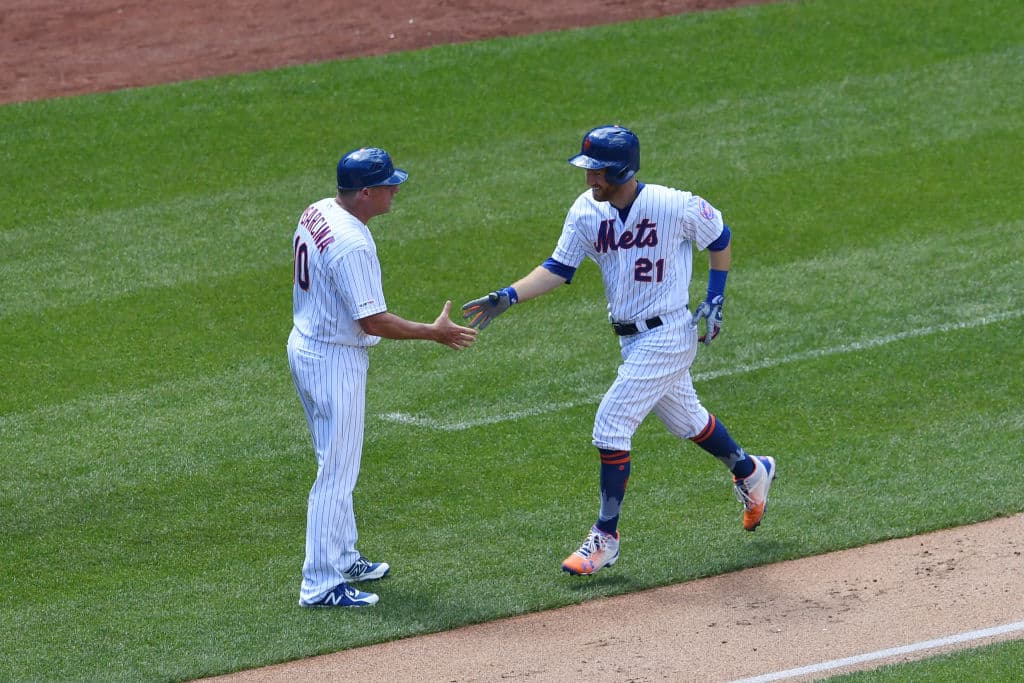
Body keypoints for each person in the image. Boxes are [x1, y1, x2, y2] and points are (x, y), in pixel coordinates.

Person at [462, 125, 776, 576]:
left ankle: (605, 538)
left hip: (669, 333)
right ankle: (750, 471)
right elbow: (558, 267)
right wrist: (508, 296)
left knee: (611, 423)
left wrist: (716, 293)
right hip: (632, 340)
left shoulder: (672, 204)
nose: (591, 180)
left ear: (623, 170)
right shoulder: (587, 212)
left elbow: (719, 234)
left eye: (598, 172)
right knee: (687, 420)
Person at [288, 147, 477, 606]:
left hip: (307, 345)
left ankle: (343, 555)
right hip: (334, 361)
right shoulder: (353, 243)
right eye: (389, 184)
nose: (396, 190)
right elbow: (373, 321)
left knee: (333, 461)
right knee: (336, 473)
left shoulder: (317, 210)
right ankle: (320, 583)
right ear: (367, 192)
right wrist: (432, 333)